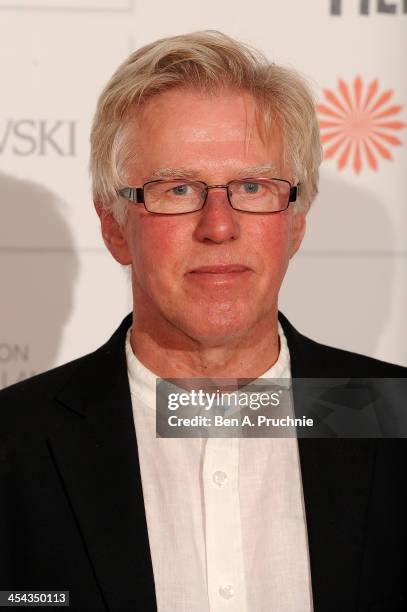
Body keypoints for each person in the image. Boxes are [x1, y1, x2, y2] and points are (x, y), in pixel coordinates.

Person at [0, 31, 406, 612]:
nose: (219, 225)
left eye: (251, 186)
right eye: (179, 188)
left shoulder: (390, 414)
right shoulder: (13, 445)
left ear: (295, 222)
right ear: (115, 226)